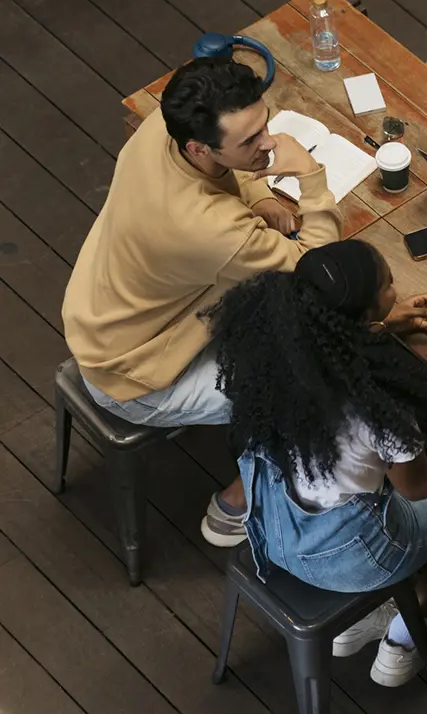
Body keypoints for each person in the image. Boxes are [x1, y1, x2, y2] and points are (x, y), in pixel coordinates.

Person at [204, 240, 427, 687]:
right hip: (352, 555)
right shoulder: (377, 410)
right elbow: (421, 484)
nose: (395, 289)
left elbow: (334, 347)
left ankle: (363, 614)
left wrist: (377, 326)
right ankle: (405, 633)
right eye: (388, 285)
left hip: (278, 533)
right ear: (362, 310)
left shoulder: (279, 358)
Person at [62, 57, 348, 547]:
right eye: (250, 142)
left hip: (104, 318)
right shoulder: (210, 229)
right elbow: (317, 265)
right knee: (317, 379)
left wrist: (259, 194)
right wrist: (311, 175)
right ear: (199, 147)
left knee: (280, 315)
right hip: (134, 375)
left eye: (265, 126)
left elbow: (227, 174)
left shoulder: (164, 127)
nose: (269, 144)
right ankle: (238, 502)